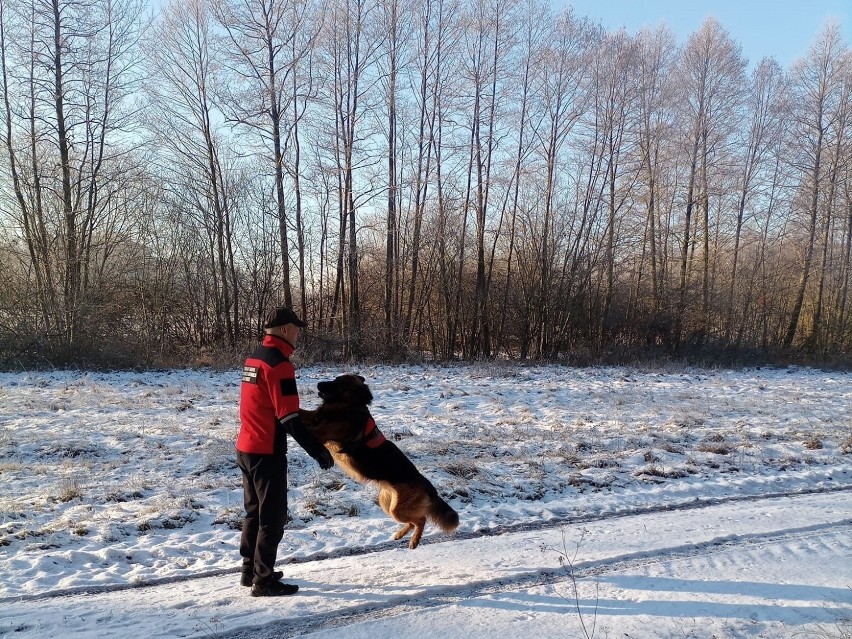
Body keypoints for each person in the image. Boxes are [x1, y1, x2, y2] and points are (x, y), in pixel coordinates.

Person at [236, 306, 334, 597]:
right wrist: (317, 450)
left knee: (253, 513)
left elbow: (275, 406)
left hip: (245, 447)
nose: (298, 335)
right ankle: (263, 581)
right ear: (283, 331)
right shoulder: (280, 365)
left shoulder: (254, 359)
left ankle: (249, 570)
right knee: (272, 517)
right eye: (295, 329)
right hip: (267, 450)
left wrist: (309, 415)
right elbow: (287, 418)